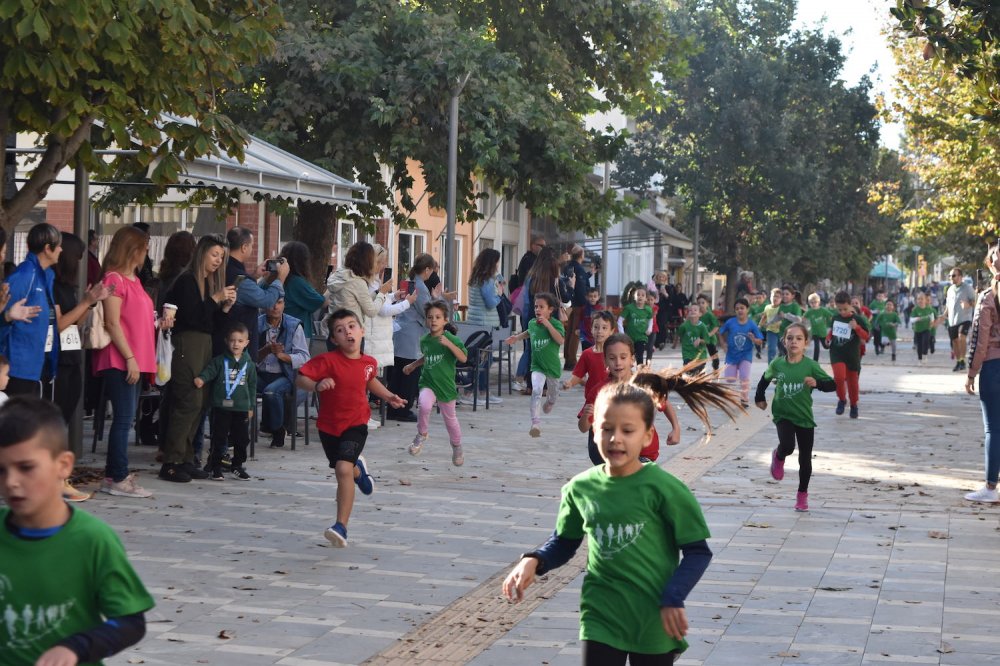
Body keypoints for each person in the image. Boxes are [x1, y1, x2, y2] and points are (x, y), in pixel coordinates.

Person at [502, 373, 739, 665]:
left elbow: (697, 552)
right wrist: (535, 560)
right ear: (593, 430)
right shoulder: (580, 488)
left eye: (628, 430)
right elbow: (565, 542)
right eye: (606, 429)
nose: (615, 438)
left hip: (654, 616)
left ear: (648, 435)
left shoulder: (665, 489)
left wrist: (674, 596)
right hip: (601, 614)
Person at [0, 396, 155, 665]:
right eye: (1, 470)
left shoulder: (92, 540)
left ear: (63, 465)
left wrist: (77, 647)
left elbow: (130, 622)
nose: (11, 482)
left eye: (26, 468)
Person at [296, 309, 407, 547]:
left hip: (356, 424)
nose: (347, 331)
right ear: (334, 339)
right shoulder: (327, 361)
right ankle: (359, 471)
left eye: (351, 326)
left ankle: (341, 526)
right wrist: (317, 385)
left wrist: (389, 396)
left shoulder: (368, 363)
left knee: (341, 469)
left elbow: (369, 380)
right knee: (345, 468)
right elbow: (301, 378)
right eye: (340, 329)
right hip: (328, 427)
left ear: (362, 331)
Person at [95, 226, 166, 499]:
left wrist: (159, 323)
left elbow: (135, 319)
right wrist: (130, 358)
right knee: (123, 419)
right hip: (122, 358)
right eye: (144, 247)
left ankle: (117, 474)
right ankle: (116, 476)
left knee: (127, 419)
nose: (147, 252)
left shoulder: (133, 280)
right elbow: (112, 323)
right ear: (133, 249)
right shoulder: (114, 278)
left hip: (135, 357)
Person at [160, 234, 236, 483]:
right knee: (188, 400)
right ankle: (172, 460)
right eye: (214, 255)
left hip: (204, 343)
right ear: (201, 253)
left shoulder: (206, 283)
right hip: (187, 343)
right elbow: (191, 317)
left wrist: (223, 307)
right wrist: (215, 299)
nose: (217, 261)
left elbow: (210, 323)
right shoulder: (187, 281)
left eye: (221, 257)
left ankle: (187, 458)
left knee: (201, 401)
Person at [755, 323, 837, 512]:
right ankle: (779, 455)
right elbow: (764, 379)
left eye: (799, 338)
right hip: (782, 414)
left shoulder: (810, 365)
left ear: (806, 343)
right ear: (784, 341)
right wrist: (759, 397)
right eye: (790, 338)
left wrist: (817, 383)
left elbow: (832, 384)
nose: (794, 342)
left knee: (805, 460)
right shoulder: (778, 364)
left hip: (804, 417)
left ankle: (802, 495)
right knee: (788, 446)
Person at [0, 223, 62, 397]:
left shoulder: (46, 275)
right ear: (48, 249)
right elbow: (3, 316)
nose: (61, 249)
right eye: (58, 245)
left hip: (38, 362)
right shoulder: (25, 275)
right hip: (18, 367)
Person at [405, 300, 469, 466]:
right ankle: (422, 434)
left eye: (438, 317)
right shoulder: (425, 340)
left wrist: (449, 344)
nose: (433, 320)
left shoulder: (451, 339)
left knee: (450, 420)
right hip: (428, 382)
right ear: (426, 320)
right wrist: (412, 365)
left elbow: (463, 357)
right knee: (424, 405)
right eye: (430, 317)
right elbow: (427, 357)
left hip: (446, 386)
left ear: (445, 320)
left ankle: (456, 446)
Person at [195, 322, 257, 481]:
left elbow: (252, 386)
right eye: (232, 340)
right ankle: (215, 466)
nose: (236, 344)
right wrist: (202, 378)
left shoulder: (249, 365)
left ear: (246, 343)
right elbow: (210, 371)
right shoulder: (219, 360)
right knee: (219, 437)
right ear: (226, 341)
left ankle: (237, 465)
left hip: (241, 407)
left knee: (241, 439)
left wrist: (251, 407)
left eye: (240, 341)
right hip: (221, 407)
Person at [964, 245, 1000, 503]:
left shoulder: (988, 297)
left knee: (994, 429)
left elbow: (979, 339)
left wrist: (971, 372)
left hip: (993, 366)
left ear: (989, 265)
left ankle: (990, 487)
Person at [218, 226, 287, 358]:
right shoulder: (237, 274)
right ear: (244, 247)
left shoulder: (225, 268)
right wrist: (280, 278)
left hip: (227, 340)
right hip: (237, 348)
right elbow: (267, 301)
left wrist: (254, 276)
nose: (251, 249)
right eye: (251, 245)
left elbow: (241, 291)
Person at [506, 292, 565, 438]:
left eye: (541, 307)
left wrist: (548, 325)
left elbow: (560, 340)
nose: (537, 309)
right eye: (535, 306)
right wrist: (517, 337)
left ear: (550, 310)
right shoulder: (532, 323)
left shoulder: (556, 324)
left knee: (552, 396)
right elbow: (528, 332)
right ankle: (535, 423)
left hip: (552, 368)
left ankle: (550, 403)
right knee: (536, 390)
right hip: (537, 366)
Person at [386, 253, 435, 421]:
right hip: (412, 334)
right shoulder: (421, 287)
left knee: (397, 373)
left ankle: (393, 407)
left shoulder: (409, 282)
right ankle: (403, 408)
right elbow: (426, 311)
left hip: (401, 331)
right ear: (427, 270)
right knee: (409, 373)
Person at [257, 297, 310, 448]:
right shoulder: (256, 323)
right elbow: (248, 356)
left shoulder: (293, 325)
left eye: (279, 302)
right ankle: (233, 435)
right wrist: (266, 351)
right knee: (238, 387)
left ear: (284, 304)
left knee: (271, 392)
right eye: (271, 302)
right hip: (260, 373)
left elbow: (304, 357)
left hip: (285, 374)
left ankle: (278, 429)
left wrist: (282, 356)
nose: (275, 306)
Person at [515, 246, 570, 390]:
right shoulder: (556, 280)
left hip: (533, 317)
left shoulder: (531, 278)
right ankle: (546, 384)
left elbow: (527, 301)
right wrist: (571, 286)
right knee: (549, 351)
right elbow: (566, 299)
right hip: (551, 320)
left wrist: (527, 319)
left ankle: (531, 384)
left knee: (534, 351)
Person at [464, 248, 505, 404]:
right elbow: (490, 303)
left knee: (475, 359)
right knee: (484, 360)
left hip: (474, 320)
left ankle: (474, 391)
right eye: (496, 262)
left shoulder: (475, 277)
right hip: (486, 323)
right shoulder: (487, 280)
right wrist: (499, 295)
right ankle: (478, 392)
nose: (497, 265)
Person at [826, 291, 871, 419]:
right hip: (837, 353)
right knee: (839, 378)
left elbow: (866, 337)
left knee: (852, 382)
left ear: (850, 305)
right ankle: (841, 399)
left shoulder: (858, 319)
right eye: (839, 309)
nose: (842, 312)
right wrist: (828, 338)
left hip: (852, 355)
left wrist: (856, 328)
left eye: (845, 309)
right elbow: (831, 332)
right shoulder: (835, 318)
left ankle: (854, 404)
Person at [718, 297, 764, 407]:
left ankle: (744, 399)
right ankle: (736, 374)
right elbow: (720, 332)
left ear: (747, 309)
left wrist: (754, 339)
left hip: (745, 355)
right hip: (731, 356)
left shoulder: (752, 324)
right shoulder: (730, 322)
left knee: (745, 377)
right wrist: (723, 344)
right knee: (729, 379)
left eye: (742, 308)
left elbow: (760, 341)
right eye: (737, 308)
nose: (740, 310)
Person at [564, 311, 615, 407]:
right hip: (592, 399)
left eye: (604, 328)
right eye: (596, 327)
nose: (599, 331)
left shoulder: (615, 353)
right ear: (591, 329)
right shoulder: (587, 354)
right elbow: (578, 375)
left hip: (611, 399)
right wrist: (570, 383)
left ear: (611, 331)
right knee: (586, 422)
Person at [279, 240, 328, 339]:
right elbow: (321, 302)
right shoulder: (296, 282)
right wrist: (331, 287)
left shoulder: (272, 279)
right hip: (296, 334)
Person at [562, 245, 590, 369]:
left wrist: (589, 274)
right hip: (579, 305)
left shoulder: (568, 267)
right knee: (576, 333)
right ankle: (572, 361)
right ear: (581, 255)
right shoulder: (579, 269)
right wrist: (586, 304)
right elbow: (581, 288)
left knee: (569, 332)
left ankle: (567, 357)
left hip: (569, 303)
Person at [946, 268, 977, 372]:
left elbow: (976, 302)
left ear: (960, 277)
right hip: (952, 320)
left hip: (965, 318)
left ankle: (963, 359)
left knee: (961, 337)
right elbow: (948, 306)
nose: (951, 278)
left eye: (953, 275)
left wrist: (968, 304)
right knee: (954, 341)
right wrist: (943, 316)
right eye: (950, 276)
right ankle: (959, 361)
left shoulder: (967, 288)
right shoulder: (950, 289)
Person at [618, 286, 654, 364]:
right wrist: (622, 333)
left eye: (642, 295)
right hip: (629, 337)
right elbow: (620, 320)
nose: (640, 297)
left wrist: (649, 328)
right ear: (634, 297)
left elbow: (651, 319)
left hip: (641, 337)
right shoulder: (629, 308)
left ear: (646, 298)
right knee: (629, 356)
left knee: (640, 356)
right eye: (638, 295)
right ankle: (628, 372)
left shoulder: (648, 310)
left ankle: (640, 373)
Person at [677, 303, 711, 373]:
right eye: (690, 310)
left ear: (700, 314)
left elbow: (707, 340)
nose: (692, 311)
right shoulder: (684, 326)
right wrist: (675, 343)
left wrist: (700, 340)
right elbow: (679, 334)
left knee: (698, 373)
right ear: (688, 313)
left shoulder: (702, 326)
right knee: (688, 371)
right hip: (687, 353)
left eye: (695, 310)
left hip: (700, 355)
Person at [911, 291, 940, 365]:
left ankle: (925, 355)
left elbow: (933, 318)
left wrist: (932, 323)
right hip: (918, 330)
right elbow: (911, 319)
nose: (920, 301)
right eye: (918, 299)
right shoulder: (915, 309)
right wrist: (917, 319)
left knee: (925, 342)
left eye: (922, 299)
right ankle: (919, 359)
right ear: (916, 300)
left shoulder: (930, 309)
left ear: (925, 300)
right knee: (919, 345)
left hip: (927, 329)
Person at [802, 292, 832, 361]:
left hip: (823, 332)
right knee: (816, 347)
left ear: (819, 302)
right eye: (811, 302)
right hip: (814, 333)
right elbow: (803, 318)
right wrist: (803, 322)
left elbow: (830, 315)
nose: (814, 304)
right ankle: (815, 361)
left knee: (826, 346)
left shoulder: (822, 310)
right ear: (809, 303)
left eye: (815, 302)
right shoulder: (809, 311)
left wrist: (830, 321)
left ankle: (833, 348)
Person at [696, 294, 720, 371]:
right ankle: (701, 368)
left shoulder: (710, 315)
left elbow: (716, 326)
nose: (701, 305)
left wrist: (710, 334)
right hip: (701, 339)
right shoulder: (696, 315)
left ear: (707, 304)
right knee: (700, 354)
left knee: (713, 354)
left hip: (710, 339)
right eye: (699, 303)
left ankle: (715, 367)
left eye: (703, 303)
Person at [758, 288, 783, 363]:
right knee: (771, 349)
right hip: (771, 331)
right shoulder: (767, 307)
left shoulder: (781, 308)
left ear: (781, 299)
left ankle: (782, 364)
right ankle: (770, 367)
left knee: (782, 350)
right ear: (770, 297)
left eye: (777, 296)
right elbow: (764, 317)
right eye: (773, 296)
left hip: (781, 332)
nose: (775, 298)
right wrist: (759, 325)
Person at [868, 290, 887, 355]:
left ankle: (882, 347)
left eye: (882, 296)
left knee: (883, 336)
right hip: (876, 323)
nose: (880, 297)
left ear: (884, 297)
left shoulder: (885, 303)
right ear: (876, 296)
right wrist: (875, 311)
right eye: (879, 296)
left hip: (884, 323)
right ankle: (876, 347)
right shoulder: (873, 303)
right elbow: (868, 311)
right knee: (877, 336)